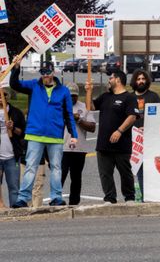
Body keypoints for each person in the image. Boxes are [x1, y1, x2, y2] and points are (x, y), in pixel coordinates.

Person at [10, 60, 78, 208]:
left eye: (48, 72)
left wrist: (74, 135)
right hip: (34, 134)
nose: (45, 76)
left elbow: (68, 115)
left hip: (55, 136)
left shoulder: (64, 91)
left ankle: (56, 197)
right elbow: (14, 84)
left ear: (53, 72)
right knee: (30, 167)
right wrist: (16, 68)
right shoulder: (34, 85)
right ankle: (23, 198)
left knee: (56, 167)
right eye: (43, 73)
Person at [86, 70, 137, 204]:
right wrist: (89, 91)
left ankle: (129, 197)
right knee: (105, 174)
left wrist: (119, 131)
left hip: (122, 144)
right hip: (104, 144)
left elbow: (132, 116)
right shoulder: (105, 96)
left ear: (118, 80)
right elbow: (90, 107)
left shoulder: (129, 98)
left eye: (111, 78)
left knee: (125, 173)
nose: (109, 80)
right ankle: (109, 198)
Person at [61, 83, 96, 205]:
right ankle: (56, 200)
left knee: (76, 178)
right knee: (59, 177)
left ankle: (74, 203)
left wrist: (79, 119)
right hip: (62, 148)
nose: (72, 98)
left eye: (74, 96)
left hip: (79, 149)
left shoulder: (84, 107)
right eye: (69, 96)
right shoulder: (59, 106)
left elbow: (92, 127)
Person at [130, 69, 160, 200]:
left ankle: (152, 197)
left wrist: (148, 128)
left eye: (143, 79)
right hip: (134, 140)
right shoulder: (129, 97)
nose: (141, 81)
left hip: (151, 139)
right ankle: (139, 198)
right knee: (137, 171)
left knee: (151, 171)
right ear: (134, 81)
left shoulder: (154, 97)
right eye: (138, 79)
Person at [0, 90, 25, 207]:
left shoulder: (16, 112)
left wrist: (13, 127)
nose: (1, 98)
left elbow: (22, 133)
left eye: (3, 95)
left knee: (14, 188)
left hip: (12, 157)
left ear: (7, 97)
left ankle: (15, 212)